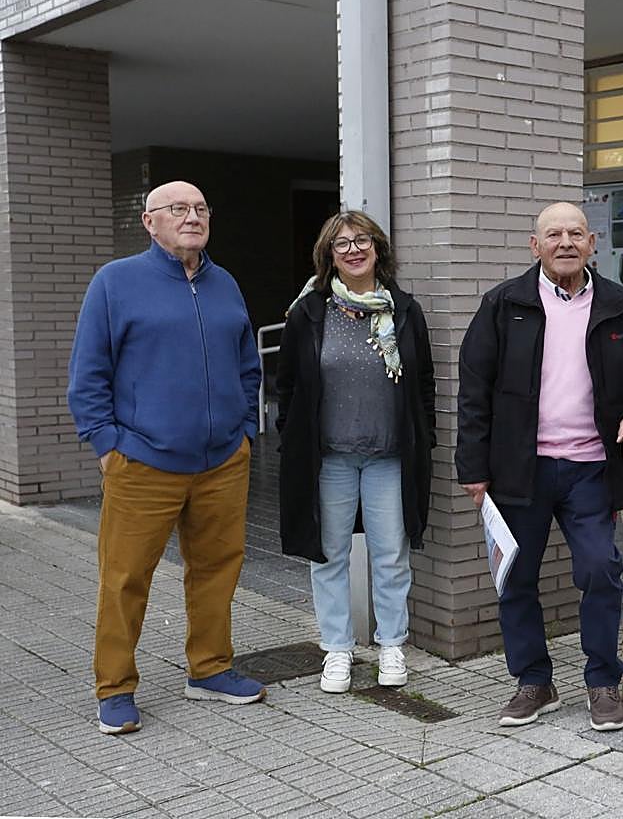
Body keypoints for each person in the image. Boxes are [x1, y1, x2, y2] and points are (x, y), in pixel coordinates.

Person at [67, 181, 266, 735]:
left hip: (223, 459)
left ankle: (209, 668)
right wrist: (108, 446)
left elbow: (248, 365)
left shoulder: (224, 284)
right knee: (124, 578)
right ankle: (114, 687)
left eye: (201, 207)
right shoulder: (116, 282)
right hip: (142, 461)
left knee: (217, 570)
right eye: (179, 208)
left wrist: (244, 430)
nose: (193, 216)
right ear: (149, 221)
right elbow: (88, 374)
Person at [456, 202, 623, 732]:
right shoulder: (504, 305)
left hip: (592, 467)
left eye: (575, 234)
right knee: (516, 577)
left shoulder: (617, 304)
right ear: (535, 245)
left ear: (593, 243)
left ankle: (601, 681)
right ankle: (534, 681)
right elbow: (473, 391)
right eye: (553, 234)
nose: (565, 242)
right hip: (518, 471)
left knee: (599, 569)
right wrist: (473, 468)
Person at [275, 211, 436, 694]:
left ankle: (391, 646)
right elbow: (288, 387)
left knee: (391, 555)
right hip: (329, 458)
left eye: (361, 240)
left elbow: (423, 384)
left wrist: (422, 436)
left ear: (378, 249)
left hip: (389, 456)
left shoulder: (405, 311)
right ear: (328, 256)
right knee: (329, 555)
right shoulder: (309, 313)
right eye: (341, 244)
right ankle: (337, 650)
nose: (353, 250)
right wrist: (293, 437)